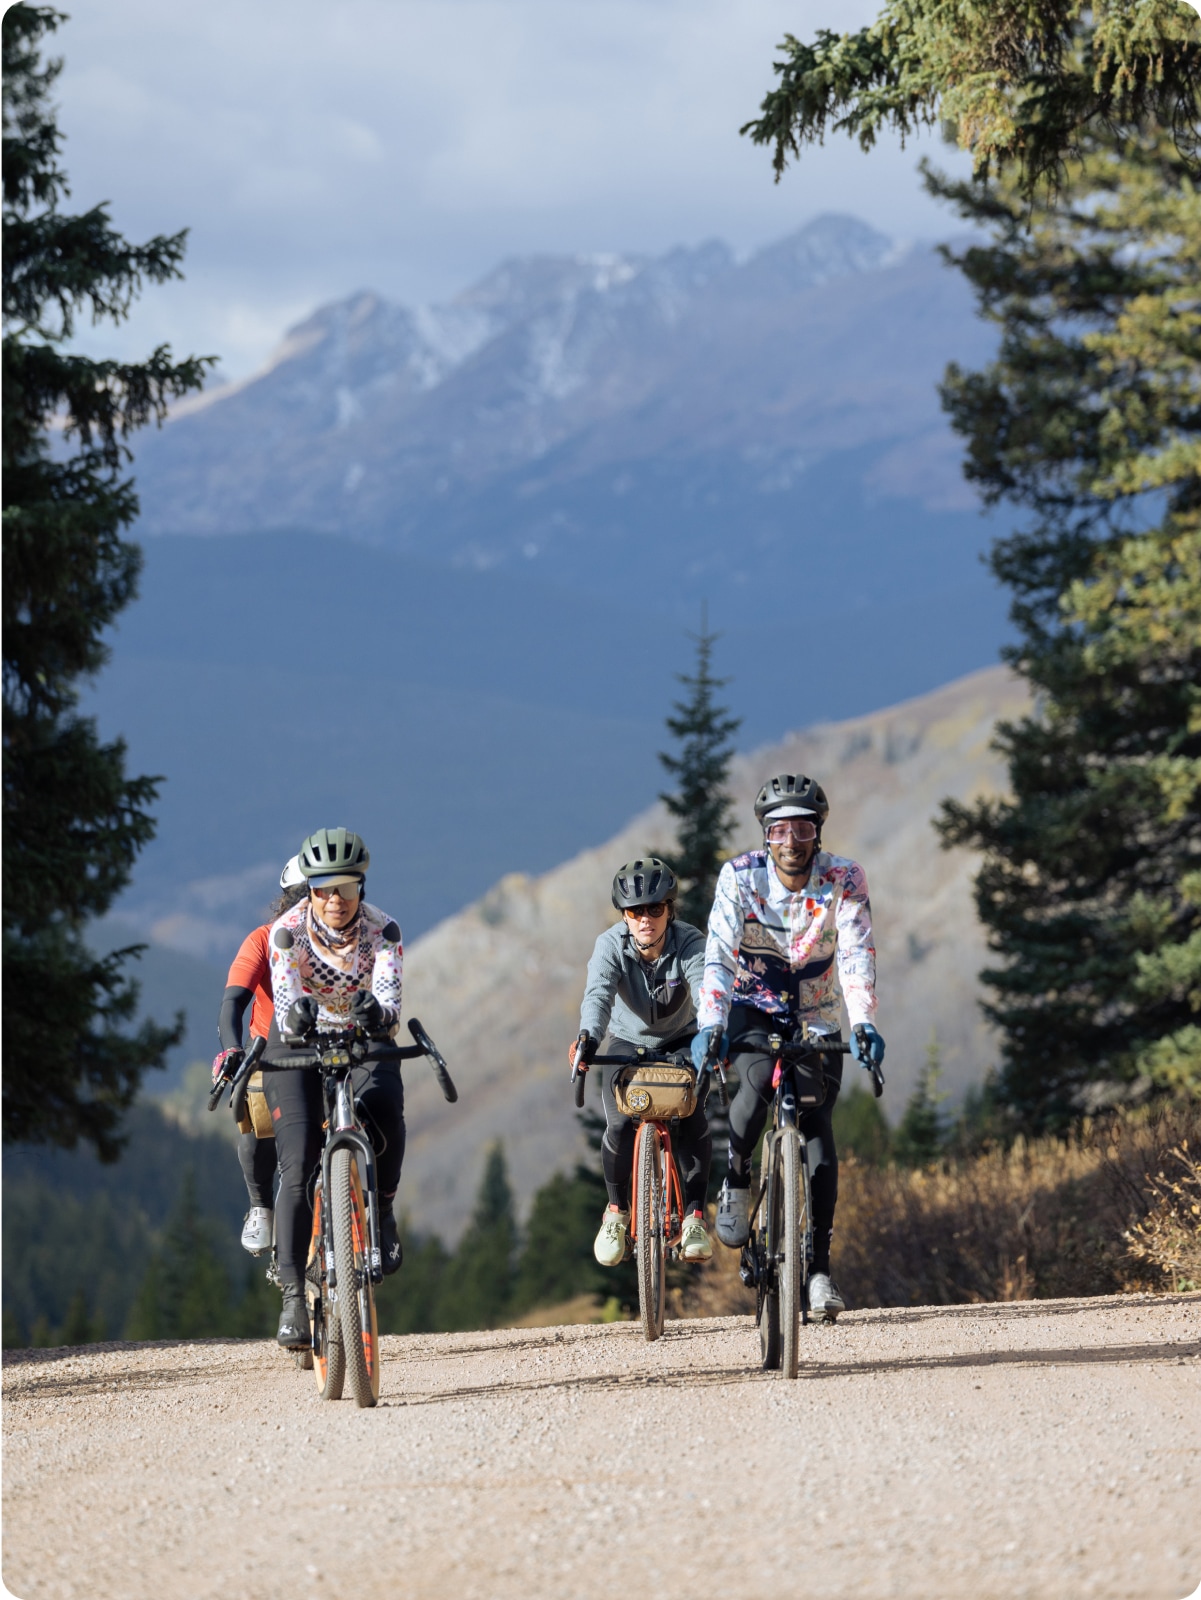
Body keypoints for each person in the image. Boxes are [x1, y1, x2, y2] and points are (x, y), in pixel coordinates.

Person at [691, 773, 885, 1320]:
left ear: (818, 832)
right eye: (780, 831)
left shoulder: (845, 878)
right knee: (753, 1089)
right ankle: (735, 1176)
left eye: (802, 829)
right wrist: (711, 1022)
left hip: (817, 1012)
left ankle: (819, 1269)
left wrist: (864, 1020)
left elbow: (855, 952)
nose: (791, 842)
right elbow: (720, 953)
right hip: (755, 1003)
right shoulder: (739, 876)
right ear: (765, 836)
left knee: (818, 1120)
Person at [263, 827, 407, 1349]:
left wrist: (377, 1011)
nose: (334, 900)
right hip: (296, 1040)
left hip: (363, 1034)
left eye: (345, 889)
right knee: (299, 1162)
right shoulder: (286, 933)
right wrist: (300, 1013)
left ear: (360, 888)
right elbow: (285, 1001)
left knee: (387, 1107)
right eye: (323, 889)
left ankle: (383, 1211)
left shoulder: (383, 929)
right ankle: (294, 1299)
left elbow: (390, 994)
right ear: (309, 889)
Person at [572, 857, 714, 1269]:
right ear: (624, 915)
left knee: (690, 1115)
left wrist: (710, 1031)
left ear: (670, 909)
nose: (645, 919)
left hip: (682, 1039)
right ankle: (617, 1213)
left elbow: (705, 985)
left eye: (655, 909)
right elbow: (597, 995)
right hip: (624, 1041)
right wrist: (588, 1038)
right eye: (635, 911)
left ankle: (693, 1217)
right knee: (618, 1122)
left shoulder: (689, 942)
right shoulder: (610, 945)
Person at [211, 856, 308, 1256]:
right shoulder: (263, 939)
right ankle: (261, 1205)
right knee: (257, 1124)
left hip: (329, 1048)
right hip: (271, 1052)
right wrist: (233, 1049)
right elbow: (233, 1002)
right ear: (286, 902)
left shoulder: (346, 945)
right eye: (300, 898)